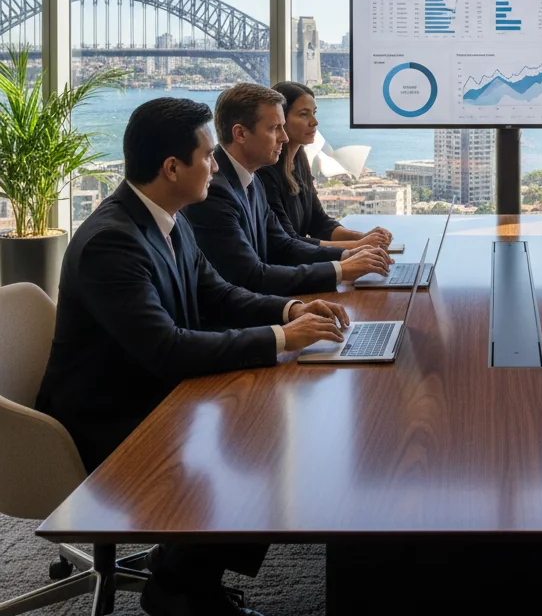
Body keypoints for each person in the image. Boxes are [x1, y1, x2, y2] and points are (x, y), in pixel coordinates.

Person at [36, 97, 350, 616]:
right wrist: (280, 338)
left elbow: (220, 294)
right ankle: (180, 588)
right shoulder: (112, 243)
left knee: (269, 424)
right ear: (172, 167)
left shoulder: (168, 217)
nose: (215, 165)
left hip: (152, 391)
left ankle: (186, 569)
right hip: (107, 419)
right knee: (257, 442)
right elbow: (166, 349)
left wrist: (291, 309)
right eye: (208, 155)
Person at [184, 83, 393, 295]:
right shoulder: (215, 192)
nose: (284, 137)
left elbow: (283, 245)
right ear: (240, 134)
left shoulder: (251, 179)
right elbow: (249, 276)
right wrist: (342, 268)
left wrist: (349, 257)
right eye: (275, 128)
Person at [257, 80, 392, 251]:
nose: (314, 122)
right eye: (304, 114)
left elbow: (318, 222)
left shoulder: (299, 160)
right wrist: (357, 246)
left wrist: (362, 237)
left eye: (314, 113)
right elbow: (288, 242)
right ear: (281, 119)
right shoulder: (266, 172)